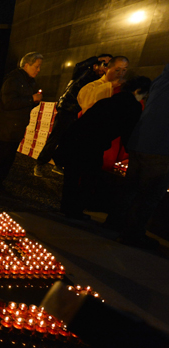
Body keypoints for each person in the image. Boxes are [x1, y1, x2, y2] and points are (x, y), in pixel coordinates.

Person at [56, 76, 150, 220]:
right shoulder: (133, 106)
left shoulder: (108, 100)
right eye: (144, 94)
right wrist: (134, 155)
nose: (144, 98)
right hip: (91, 144)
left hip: (74, 138)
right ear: (138, 91)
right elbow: (128, 132)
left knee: (72, 176)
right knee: (89, 176)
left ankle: (66, 208)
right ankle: (75, 211)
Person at [105, 64, 169, 249]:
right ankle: (132, 234)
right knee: (149, 194)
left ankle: (114, 222)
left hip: (140, 141)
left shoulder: (161, 79)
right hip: (161, 146)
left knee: (130, 188)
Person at [34, 54, 112, 177]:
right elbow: (78, 65)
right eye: (104, 65)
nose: (105, 69)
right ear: (96, 65)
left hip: (80, 112)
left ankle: (58, 164)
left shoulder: (101, 81)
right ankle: (40, 164)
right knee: (56, 138)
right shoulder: (83, 73)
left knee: (69, 140)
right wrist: (97, 58)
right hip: (67, 108)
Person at [0, 52, 43, 194]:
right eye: (36, 67)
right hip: (5, 129)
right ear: (26, 65)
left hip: (16, 129)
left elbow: (22, 105)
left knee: (7, 161)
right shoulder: (13, 80)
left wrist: (34, 102)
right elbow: (9, 103)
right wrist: (31, 99)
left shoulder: (28, 82)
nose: (38, 70)